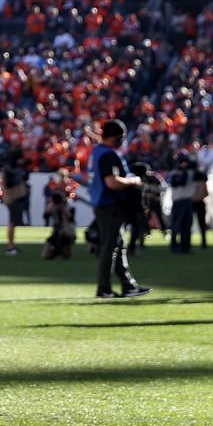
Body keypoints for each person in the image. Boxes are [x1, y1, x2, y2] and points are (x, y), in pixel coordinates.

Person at [88, 120, 150, 299]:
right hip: (109, 205)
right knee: (111, 247)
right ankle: (104, 288)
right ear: (115, 137)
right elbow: (112, 182)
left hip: (103, 204)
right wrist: (133, 180)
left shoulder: (97, 152)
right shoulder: (108, 154)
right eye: (120, 137)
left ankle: (128, 285)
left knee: (118, 245)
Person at [0, 153, 29, 254]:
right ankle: (10, 246)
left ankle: (11, 245)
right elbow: (11, 183)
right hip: (13, 197)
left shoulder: (9, 169)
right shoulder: (10, 170)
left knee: (13, 223)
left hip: (12, 197)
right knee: (12, 222)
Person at [166, 156, 195, 253]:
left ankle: (185, 246)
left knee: (187, 225)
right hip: (178, 201)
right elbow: (180, 182)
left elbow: (203, 177)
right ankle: (174, 246)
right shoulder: (174, 173)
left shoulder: (191, 172)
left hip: (188, 201)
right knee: (176, 225)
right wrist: (185, 171)